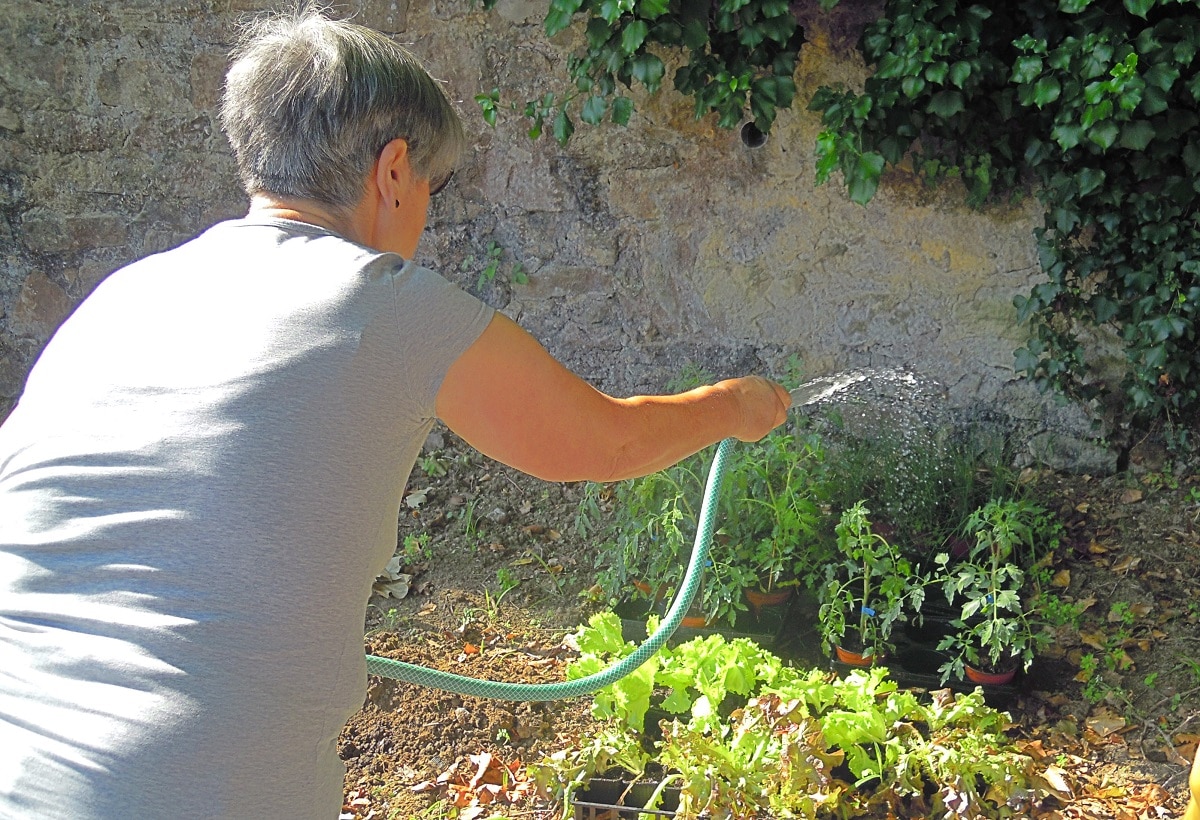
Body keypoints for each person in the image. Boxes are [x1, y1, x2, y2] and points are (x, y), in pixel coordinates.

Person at [0, 8, 790, 819]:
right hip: (185, 786)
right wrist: (733, 405)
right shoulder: (377, 303)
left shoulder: (123, 295)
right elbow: (608, 442)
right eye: (433, 191)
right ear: (393, 170)